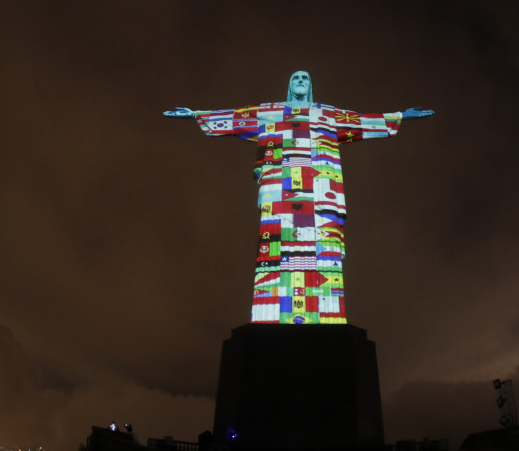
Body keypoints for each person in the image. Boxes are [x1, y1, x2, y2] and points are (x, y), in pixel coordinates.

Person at [165, 71, 433, 324]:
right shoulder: (270, 110)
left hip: (320, 188)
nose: (301, 81)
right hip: (279, 188)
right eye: (296, 77)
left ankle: (326, 314)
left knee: (324, 245)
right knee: (276, 245)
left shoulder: (326, 112)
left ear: (311, 84)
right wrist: (195, 115)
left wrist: (399, 116)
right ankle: (270, 313)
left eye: (306, 77)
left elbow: (360, 120)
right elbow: (235, 117)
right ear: (289, 84)